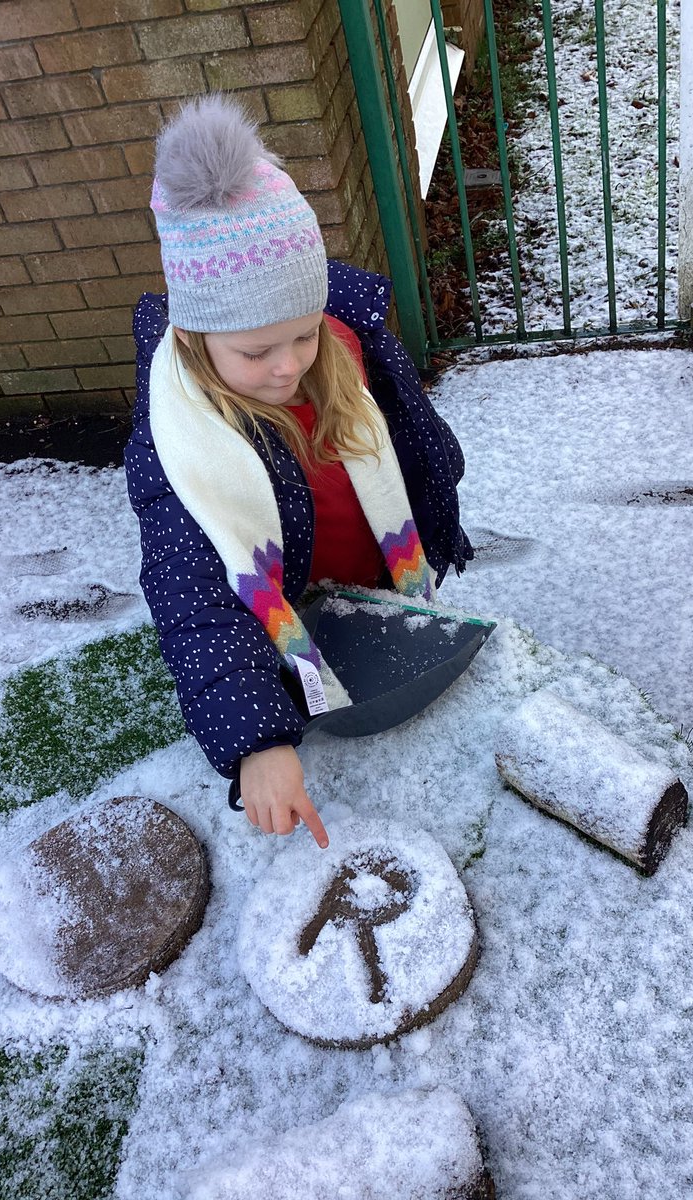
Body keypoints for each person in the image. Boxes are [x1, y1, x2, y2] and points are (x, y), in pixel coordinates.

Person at [125, 95, 471, 851]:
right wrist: (256, 741)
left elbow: (411, 448)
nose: (286, 367)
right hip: (291, 638)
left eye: (301, 336)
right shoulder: (180, 436)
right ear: (195, 336)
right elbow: (194, 597)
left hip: (382, 598)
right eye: (254, 353)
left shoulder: (347, 346)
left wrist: (436, 493)